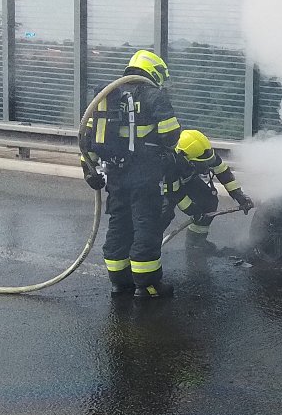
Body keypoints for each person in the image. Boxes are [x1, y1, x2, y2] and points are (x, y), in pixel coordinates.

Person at [80, 50, 181, 300]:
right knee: (146, 227)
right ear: (154, 71)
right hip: (144, 175)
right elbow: (172, 134)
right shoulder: (153, 95)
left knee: (119, 226)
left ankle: (119, 282)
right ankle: (147, 285)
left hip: (115, 174)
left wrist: (89, 170)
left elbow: (87, 139)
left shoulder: (108, 96)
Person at [163, 128, 254, 251]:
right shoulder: (169, 163)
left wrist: (239, 195)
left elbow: (223, 172)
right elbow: (175, 194)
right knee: (163, 215)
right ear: (185, 158)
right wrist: (194, 211)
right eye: (202, 164)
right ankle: (148, 249)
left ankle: (195, 242)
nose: (206, 166)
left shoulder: (202, 152)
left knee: (208, 200)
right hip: (162, 187)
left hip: (185, 179)